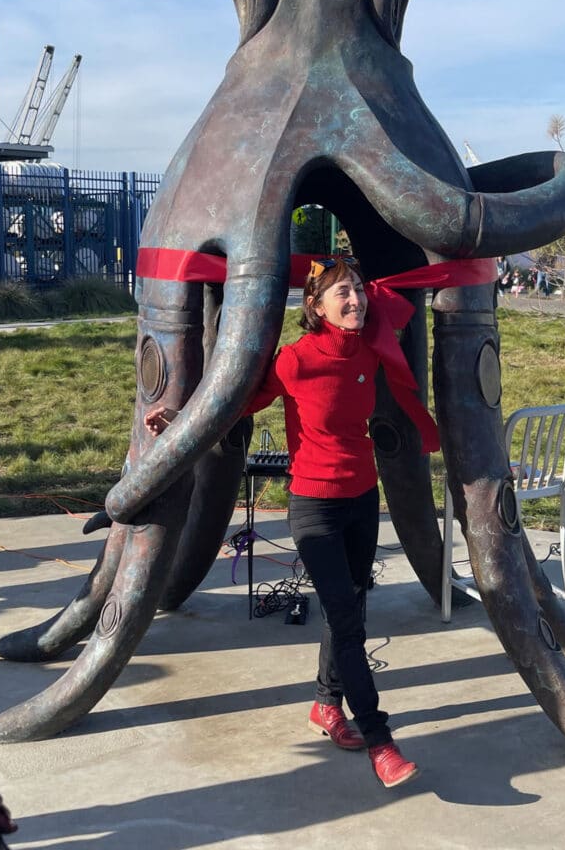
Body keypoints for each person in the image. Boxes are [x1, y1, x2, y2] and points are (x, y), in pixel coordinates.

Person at [145, 255, 422, 788]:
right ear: (315, 307)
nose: (356, 300)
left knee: (350, 609)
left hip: (364, 498)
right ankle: (381, 741)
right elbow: (235, 405)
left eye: (359, 289)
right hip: (314, 504)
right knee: (348, 622)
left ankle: (325, 705)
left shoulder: (370, 349)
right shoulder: (296, 360)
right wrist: (180, 420)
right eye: (342, 293)